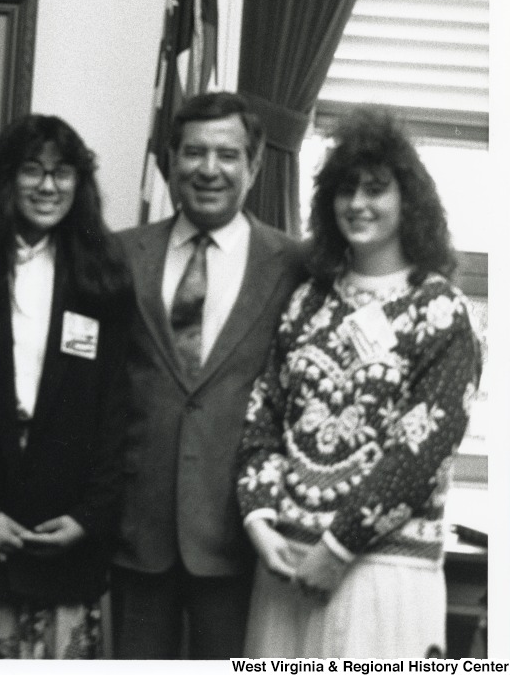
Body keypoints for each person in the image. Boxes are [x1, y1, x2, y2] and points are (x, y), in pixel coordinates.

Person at [236, 106, 481, 658]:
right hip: (283, 565)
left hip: (379, 571)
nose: (358, 204)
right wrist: (259, 524)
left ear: (407, 201)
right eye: (346, 190)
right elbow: (263, 415)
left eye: (376, 189)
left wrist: (337, 550)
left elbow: (420, 455)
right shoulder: (308, 301)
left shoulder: (443, 313)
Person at [0, 114, 133, 659]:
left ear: (79, 183)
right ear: (5, 179)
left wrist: (89, 517)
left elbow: (113, 407)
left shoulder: (101, 273)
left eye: (62, 173)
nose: (47, 186)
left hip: (64, 530)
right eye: (30, 170)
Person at [110, 91, 312, 659]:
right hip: (136, 531)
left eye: (226, 155)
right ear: (169, 161)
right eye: (193, 153)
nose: (208, 169)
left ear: (254, 165)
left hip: (241, 535)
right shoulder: (118, 254)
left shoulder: (296, 265)